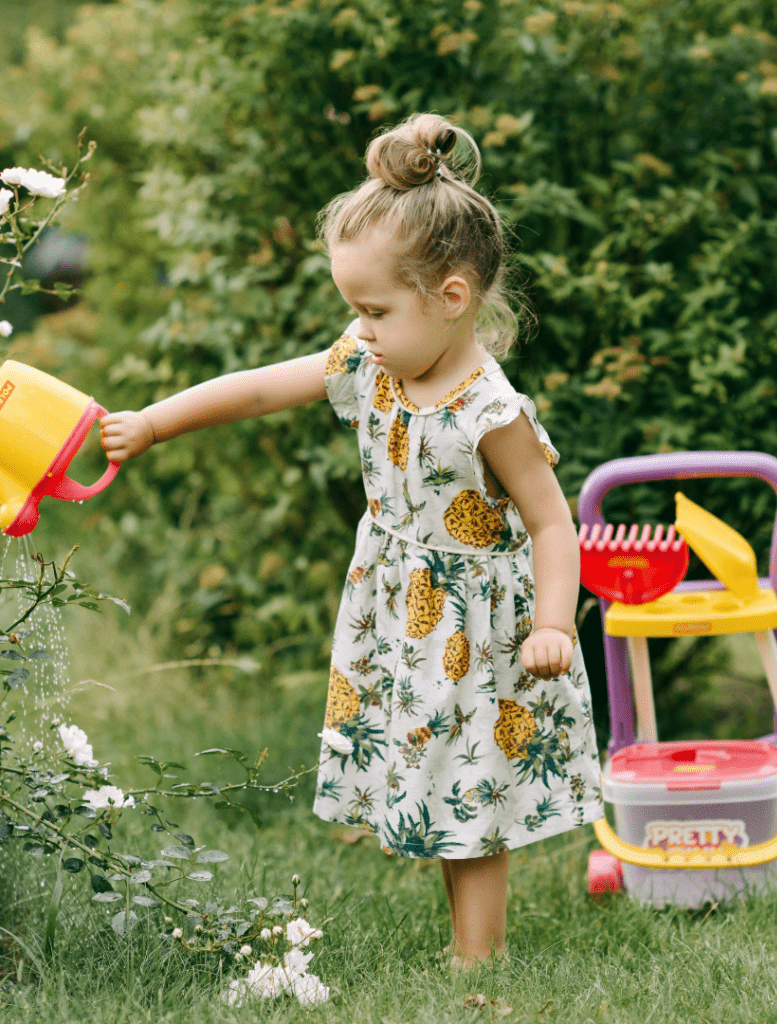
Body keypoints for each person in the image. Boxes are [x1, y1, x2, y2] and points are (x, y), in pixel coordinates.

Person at [100, 113, 603, 968]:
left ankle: (477, 957)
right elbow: (262, 390)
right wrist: (154, 422)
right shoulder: (370, 362)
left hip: (476, 630)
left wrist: (555, 621)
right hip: (398, 605)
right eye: (353, 310)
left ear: (452, 298)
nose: (360, 328)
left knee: (469, 787)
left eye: (374, 309)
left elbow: (554, 518)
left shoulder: (490, 411)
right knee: (437, 781)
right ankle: (466, 943)